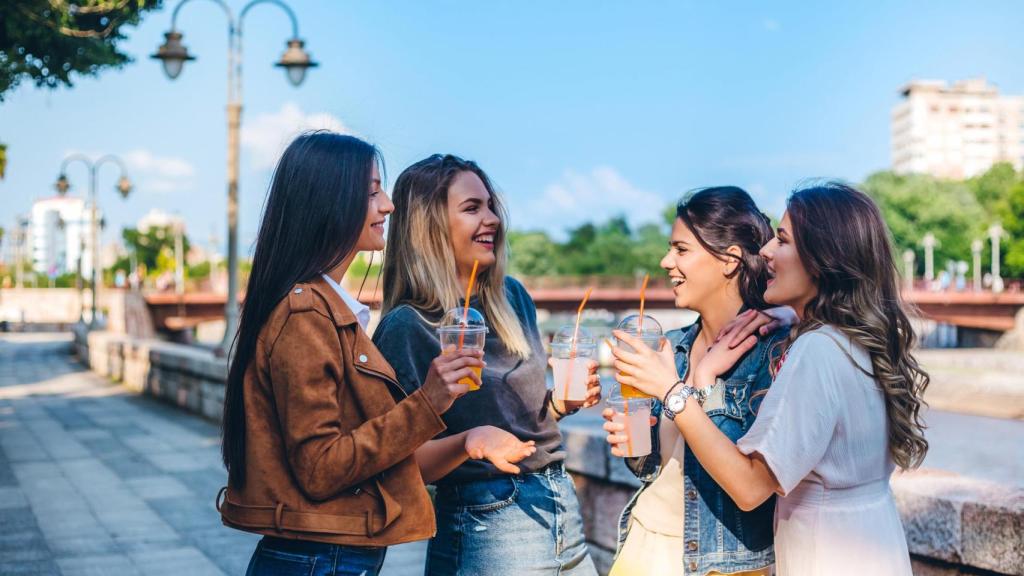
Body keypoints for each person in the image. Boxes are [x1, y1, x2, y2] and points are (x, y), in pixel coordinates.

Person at [218, 133, 535, 576]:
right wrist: (429, 401)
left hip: (329, 556)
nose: (387, 205)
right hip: (319, 559)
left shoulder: (326, 309)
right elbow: (320, 468)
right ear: (330, 203)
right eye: (371, 193)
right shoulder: (306, 314)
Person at [611, 181, 927, 575]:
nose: (765, 252)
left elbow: (749, 487)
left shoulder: (813, 351)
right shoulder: (848, 342)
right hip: (873, 547)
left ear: (822, 259)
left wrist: (676, 392)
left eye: (783, 240)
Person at [373, 154, 599, 575]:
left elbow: (518, 425)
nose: (492, 219)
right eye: (472, 208)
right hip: (488, 526)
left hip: (560, 509)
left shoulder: (513, 299)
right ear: (429, 226)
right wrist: (467, 442)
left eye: (491, 205)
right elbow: (396, 462)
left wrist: (561, 405)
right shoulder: (408, 326)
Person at [604, 187, 785, 576]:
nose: (666, 260)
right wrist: (634, 443)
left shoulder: (770, 353)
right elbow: (658, 469)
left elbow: (750, 489)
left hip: (715, 565)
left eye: (681, 249)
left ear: (730, 260)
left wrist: (675, 392)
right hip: (641, 547)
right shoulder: (678, 348)